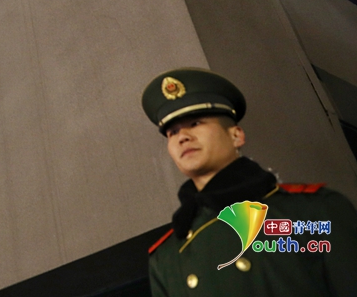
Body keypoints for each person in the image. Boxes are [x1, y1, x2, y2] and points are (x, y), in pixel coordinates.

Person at [142, 68, 357, 296]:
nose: (183, 137)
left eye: (195, 123)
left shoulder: (312, 211)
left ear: (236, 135)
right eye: (173, 132)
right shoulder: (167, 257)